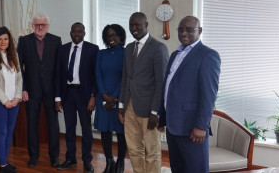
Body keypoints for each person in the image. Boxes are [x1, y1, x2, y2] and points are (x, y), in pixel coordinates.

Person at [158, 16, 221, 173]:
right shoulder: (175, 55)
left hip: (192, 128)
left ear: (199, 31)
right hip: (173, 126)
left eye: (189, 29)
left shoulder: (208, 55)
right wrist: (162, 117)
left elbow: (209, 95)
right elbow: (168, 87)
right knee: (177, 168)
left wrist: (201, 126)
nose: (184, 33)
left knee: (195, 169)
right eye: (180, 29)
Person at [118, 12, 169, 173]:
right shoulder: (129, 48)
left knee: (152, 151)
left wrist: (156, 111)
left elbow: (162, 82)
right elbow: (126, 78)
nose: (134, 28)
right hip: (130, 106)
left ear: (146, 25)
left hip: (149, 109)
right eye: (131, 25)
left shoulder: (159, 48)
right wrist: (121, 105)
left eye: (137, 25)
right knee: (133, 149)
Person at [17, 12, 62, 168]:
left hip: (51, 91)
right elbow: (18, 68)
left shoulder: (56, 41)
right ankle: (33, 156)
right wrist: (22, 89)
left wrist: (58, 94)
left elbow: (59, 69)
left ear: (48, 26)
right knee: (32, 125)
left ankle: (54, 157)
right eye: (37, 25)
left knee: (53, 125)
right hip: (31, 90)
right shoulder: (24, 42)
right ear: (32, 26)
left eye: (43, 24)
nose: (40, 27)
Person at [55, 22, 99, 173]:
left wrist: (93, 96)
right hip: (68, 94)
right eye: (74, 31)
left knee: (86, 130)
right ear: (70, 33)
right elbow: (58, 75)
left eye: (80, 31)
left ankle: (87, 160)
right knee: (69, 129)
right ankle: (70, 159)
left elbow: (96, 76)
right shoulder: (62, 49)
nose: (77, 34)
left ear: (84, 33)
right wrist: (57, 98)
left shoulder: (93, 49)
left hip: (85, 95)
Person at [0, 26, 23, 173]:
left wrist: (17, 97)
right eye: (0, 39)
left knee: (9, 132)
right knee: (1, 132)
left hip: (14, 102)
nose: (3, 42)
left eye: (6, 39)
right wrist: (5, 100)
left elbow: (19, 78)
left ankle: (5, 161)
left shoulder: (14, 55)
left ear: (9, 41)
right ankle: (2, 165)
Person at [94, 24, 127, 173]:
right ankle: (109, 161)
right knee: (105, 131)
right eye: (108, 35)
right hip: (103, 98)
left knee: (121, 132)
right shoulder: (101, 53)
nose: (111, 38)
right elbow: (98, 75)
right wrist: (104, 95)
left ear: (120, 36)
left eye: (114, 35)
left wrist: (113, 97)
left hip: (119, 99)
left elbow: (125, 77)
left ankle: (120, 162)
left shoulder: (126, 53)